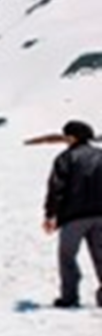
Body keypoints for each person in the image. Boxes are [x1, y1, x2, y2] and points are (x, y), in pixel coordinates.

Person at [43, 120, 102, 308]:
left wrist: (50, 215)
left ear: (72, 137)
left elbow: (56, 189)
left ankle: (69, 297)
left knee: (67, 256)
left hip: (74, 216)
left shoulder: (65, 158)